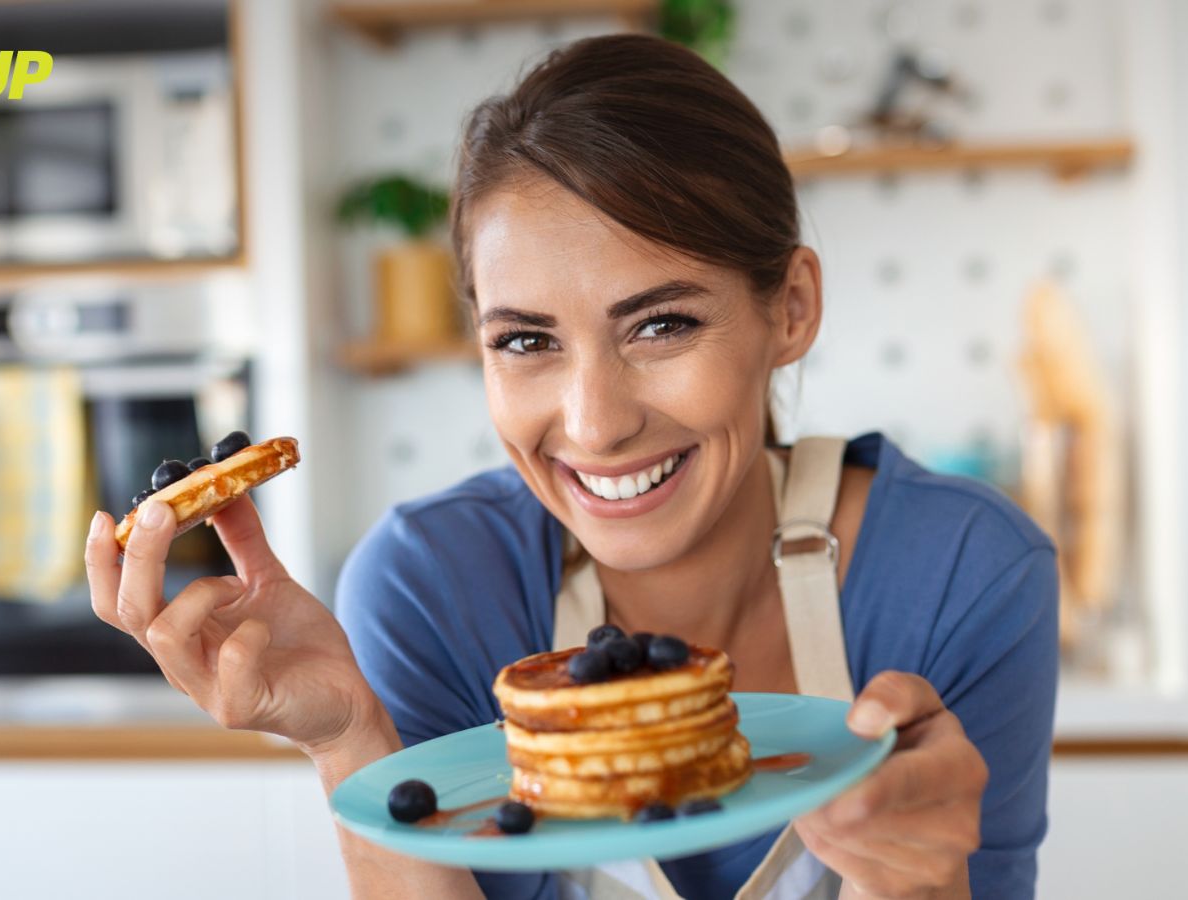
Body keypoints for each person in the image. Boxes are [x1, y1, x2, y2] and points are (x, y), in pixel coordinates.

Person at [84, 34, 1058, 900]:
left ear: (791, 309)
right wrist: (349, 741)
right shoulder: (432, 587)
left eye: (661, 325)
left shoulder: (961, 574)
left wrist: (922, 888)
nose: (595, 424)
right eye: (526, 341)